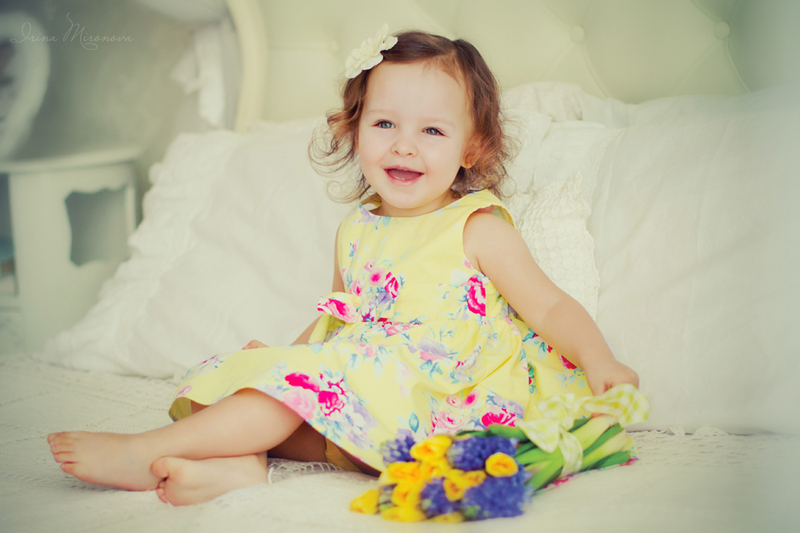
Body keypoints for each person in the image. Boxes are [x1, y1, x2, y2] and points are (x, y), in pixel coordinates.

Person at [48, 27, 638, 506]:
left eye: (432, 130)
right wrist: (281, 361)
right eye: (384, 124)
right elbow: (339, 323)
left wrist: (599, 358)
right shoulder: (356, 228)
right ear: (355, 130)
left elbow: (549, 306)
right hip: (363, 409)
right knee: (233, 382)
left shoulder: (476, 226)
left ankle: (145, 450)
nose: (404, 145)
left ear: (472, 148)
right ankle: (242, 465)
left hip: (439, 403)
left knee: (286, 390)